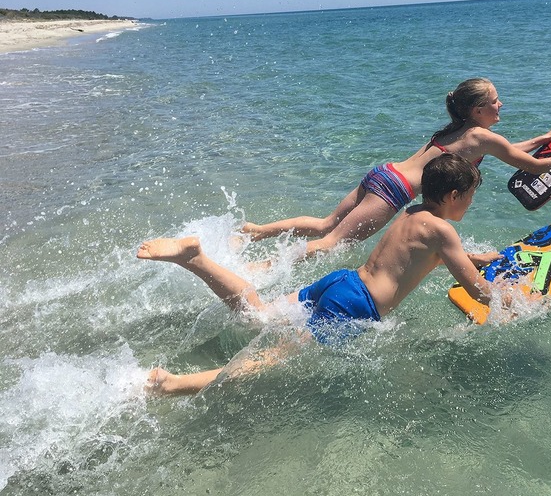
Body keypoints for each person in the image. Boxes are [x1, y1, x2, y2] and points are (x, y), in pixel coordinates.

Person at [141, 154, 509, 396]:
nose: (471, 203)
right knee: (270, 360)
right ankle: (171, 385)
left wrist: (472, 257)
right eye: (470, 197)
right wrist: (512, 298)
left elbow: (422, 258)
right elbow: (477, 292)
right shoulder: (444, 232)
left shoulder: (413, 214)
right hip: (355, 306)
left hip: (341, 283)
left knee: (259, 314)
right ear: (454, 195)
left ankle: (195, 259)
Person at [241, 77, 551, 260]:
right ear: (478, 111)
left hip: (383, 173)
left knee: (325, 224)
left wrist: (547, 135)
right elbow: (529, 165)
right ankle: (263, 268)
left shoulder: (460, 130)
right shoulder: (483, 137)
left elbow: (511, 151)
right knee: (330, 243)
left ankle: (256, 232)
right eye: (496, 101)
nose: (502, 105)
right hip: (394, 192)